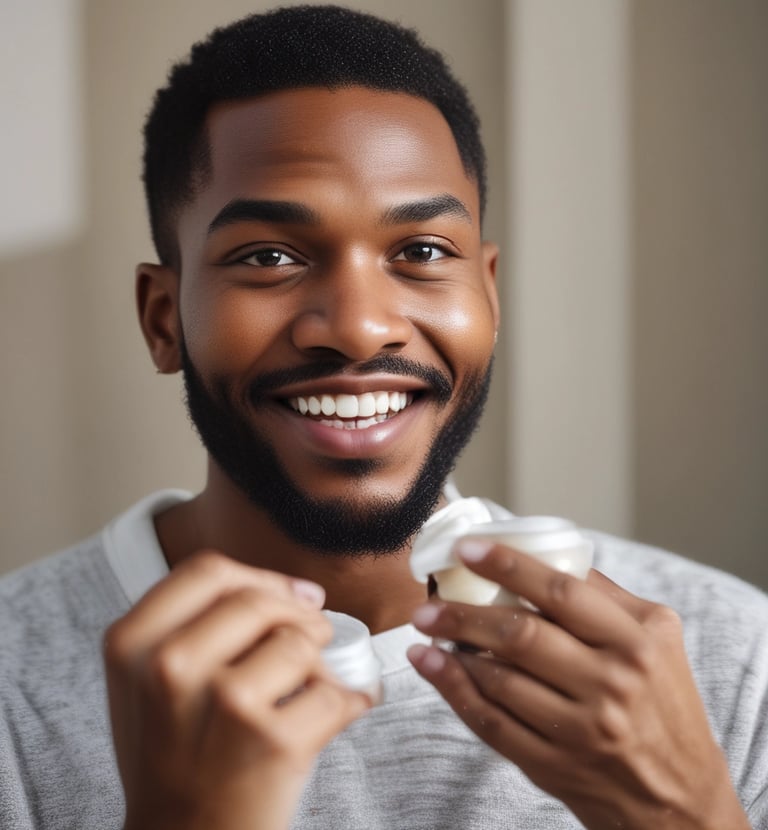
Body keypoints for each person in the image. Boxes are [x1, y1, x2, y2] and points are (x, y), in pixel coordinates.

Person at [1, 5, 766, 829]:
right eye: (269, 257)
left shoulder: (732, 662)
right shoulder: (14, 692)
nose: (362, 326)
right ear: (163, 320)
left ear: (490, 294)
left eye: (425, 252)